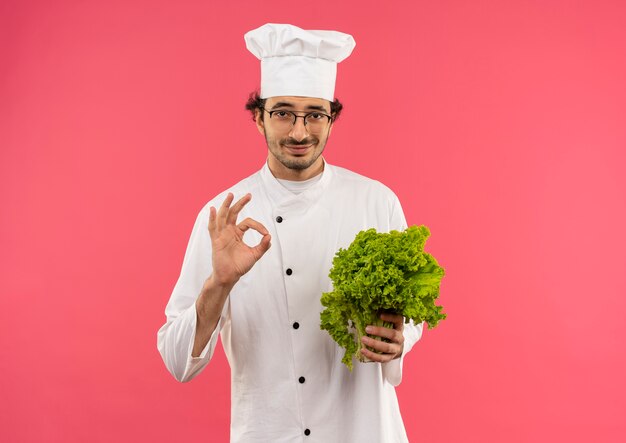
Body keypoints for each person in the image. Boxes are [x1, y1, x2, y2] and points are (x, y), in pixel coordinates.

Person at [157, 23, 423, 442]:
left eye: (314, 114)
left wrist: (400, 338)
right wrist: (220, 283)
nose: (299, 132)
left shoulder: (377, 203)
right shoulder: (223, 216)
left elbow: (409, 317)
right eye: (282, 113)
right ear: (258, 117)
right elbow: (178, 361)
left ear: (332, 119)